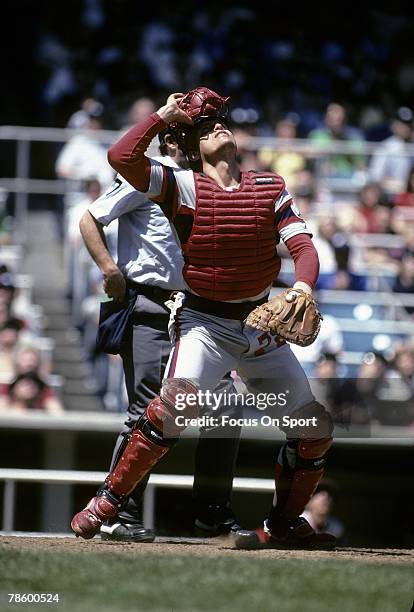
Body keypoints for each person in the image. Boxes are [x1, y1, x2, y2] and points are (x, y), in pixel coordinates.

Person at [71, 87, 335, 549]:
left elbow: (303, 247)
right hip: (203, 323)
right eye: (204, 127)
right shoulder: (181, 183)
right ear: (191, 147)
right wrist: (162, 115)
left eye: (219, 122)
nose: (217, 126)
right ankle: (110, 502)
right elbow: (121, 155)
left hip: (260, 327)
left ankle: (284, 523)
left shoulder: (270, 185)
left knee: (314, 429)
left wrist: (302, 286)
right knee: (170, 408)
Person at [74, 124, 243, 542]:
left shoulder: (205, 184)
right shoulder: (149, 175)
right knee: (147, 410)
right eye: (191, 134)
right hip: (150, 305)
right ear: (171, 141)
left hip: (197, 313)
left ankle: (212, 514)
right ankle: (119, 513)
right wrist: (109, 269)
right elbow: (90, 218)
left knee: (226, 406)